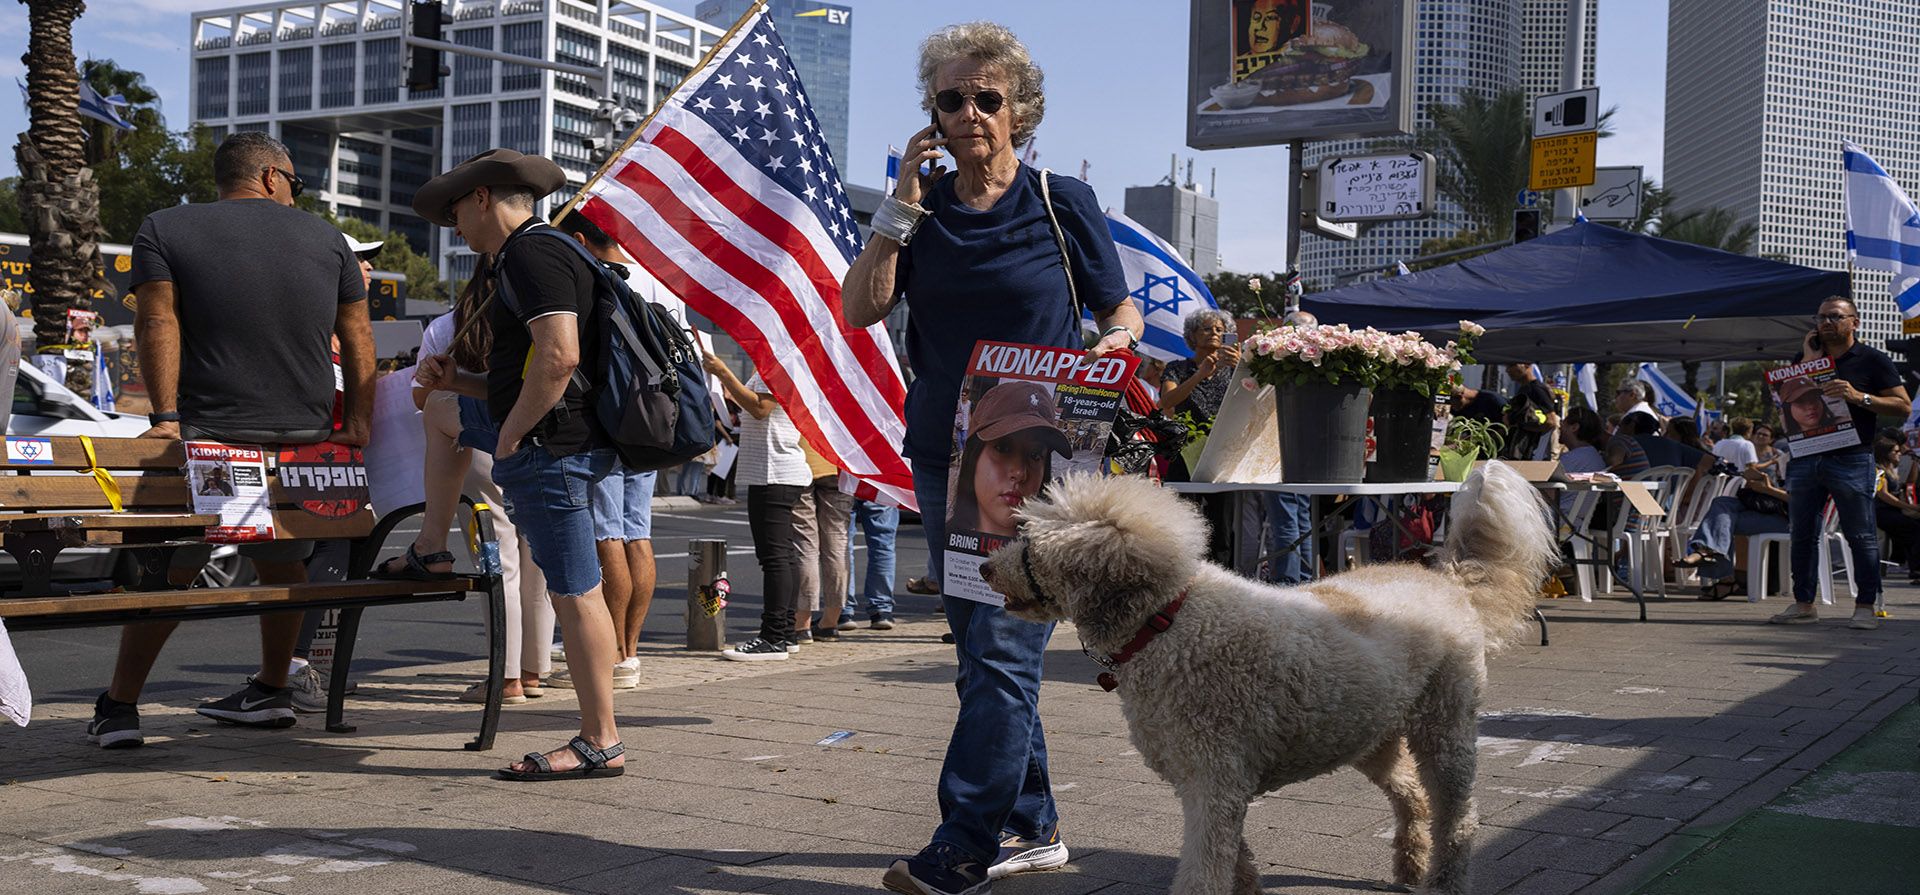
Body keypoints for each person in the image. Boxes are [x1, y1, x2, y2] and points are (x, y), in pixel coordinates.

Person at [839, 21, 1144, 893]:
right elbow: (862, 308)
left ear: (1020, 110)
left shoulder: (1058, 201)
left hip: (1036, 460)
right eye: (950, 99)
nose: (969, 113)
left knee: (1006, 650)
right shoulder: (920, 210)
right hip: (944, 455)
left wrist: (1115, 347)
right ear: (930, 112)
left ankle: (964, 840)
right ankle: (1034, 823)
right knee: (983, 650)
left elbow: (1119, 311)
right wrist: (899, 199)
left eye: (987, 98)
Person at [87, 132, 374, 750]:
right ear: (272, 177)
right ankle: (270, 689)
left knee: (175, 568)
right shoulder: (327, 239)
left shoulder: (165, 227)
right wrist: (357, 425)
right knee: (284, 561)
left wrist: (165, 414)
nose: (297, 195)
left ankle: (120, 707)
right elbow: (357, 335)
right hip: (304, 440)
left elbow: (156, 319)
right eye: (295, 183)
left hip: (216, 435)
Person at [411, 148, 625, 778]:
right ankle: (431, 542)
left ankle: (600, 740)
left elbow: (558, 358)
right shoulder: (533, 253)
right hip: (554, 438)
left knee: (576, 591)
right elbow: (531, 372)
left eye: (455, 210)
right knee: (442, 408)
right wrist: (467, 384)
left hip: (548, 446)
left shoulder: (533, 253)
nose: (453, 226)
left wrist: (510, 436)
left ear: (483, 197)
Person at [389, 270, 556, 705]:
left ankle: (505, 677)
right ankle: (535, 668)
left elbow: (421, 398)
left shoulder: (447, 327)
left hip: (473, 443)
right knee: (537, 557)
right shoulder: (536, 319)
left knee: (496, 561)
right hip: (535, 437)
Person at [556, 212, 657, 691]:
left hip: (608, 422)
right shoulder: (656, 281)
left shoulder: (596, 282)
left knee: (607, 535)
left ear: (580, 240)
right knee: (637, 534)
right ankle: (631, 652)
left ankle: (613, 654)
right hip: (653, 424)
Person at [1770, 296, 1910, 630]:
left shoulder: (1872, 359)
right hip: (1806, 455)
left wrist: (1858, 396)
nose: (1827, 323)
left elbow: (1903, 406)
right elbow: (1786, 404)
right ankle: (1804, 604)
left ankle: (1865, 606)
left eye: (1835, 316)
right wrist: (1807, 360)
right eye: (1821, 317)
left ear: (1854, 322)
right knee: (1802, 533)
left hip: (1851, 455)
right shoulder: (1806, 357)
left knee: (1860, 535)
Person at [705, 353, 811, 661]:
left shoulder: (780, 362)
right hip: (775, 470)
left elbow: (760, 408)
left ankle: (774, 637)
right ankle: (786, 633)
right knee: (783, 556)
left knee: (775, 557)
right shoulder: (783, 362)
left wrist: (723, 372)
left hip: (774, 472)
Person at [949, 380, 1069, 538]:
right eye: (1002, 448)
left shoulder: (1060, 557)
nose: (1020, 473)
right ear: (973, 457)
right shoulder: (942, 549)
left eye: (1035, 455)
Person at [1675, 459, 1791, 599]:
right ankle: (1709, 555)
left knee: (1723, 521)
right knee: (1721, 503)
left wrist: (1767, 489)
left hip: (1793, 519)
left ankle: (1722, 575)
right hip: (1777, 509)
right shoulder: (1797, 459)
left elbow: (1804, 503)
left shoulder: (1815, 463)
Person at [1263, 310, 1317, 585]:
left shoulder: (1279, 361)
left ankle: (1288, 583)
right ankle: (1304, 580)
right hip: (1310, 448)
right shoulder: (1322, 361)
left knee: (1286, 519)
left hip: (1278, 447)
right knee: (1302, 517)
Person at [792, 438, 853, 643]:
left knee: (805, 545)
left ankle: (802, 624)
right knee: (837, 544)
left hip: (803, 462)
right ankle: (830, 621)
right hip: (839, 463)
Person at [1871, 438, 1920, 586]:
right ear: (1886, 453)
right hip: (1883, 512)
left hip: (1893, 511)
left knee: (1913, 527)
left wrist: (1913, 465)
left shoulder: (1892, 469)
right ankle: (1916, 568)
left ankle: (1914, 567)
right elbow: (1883, 495)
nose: (1899, 454)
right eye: (1896, 451)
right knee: (1916, 530)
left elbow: (1908, 484)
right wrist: (1909, 507)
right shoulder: (1879, 470)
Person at [846, 497, 900, 629]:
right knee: (883, 543)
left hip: (844, 480)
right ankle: (881, 610)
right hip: (878, 480)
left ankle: (842, 610)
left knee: (842, 544)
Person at [1501, 363, 1560, 461]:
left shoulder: (1537, 389)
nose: (1508, 370)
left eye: (1512, 365)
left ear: (1526, 365)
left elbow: (1551, 422)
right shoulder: (1524, 389)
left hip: (1533, 451)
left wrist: (1523, 427)